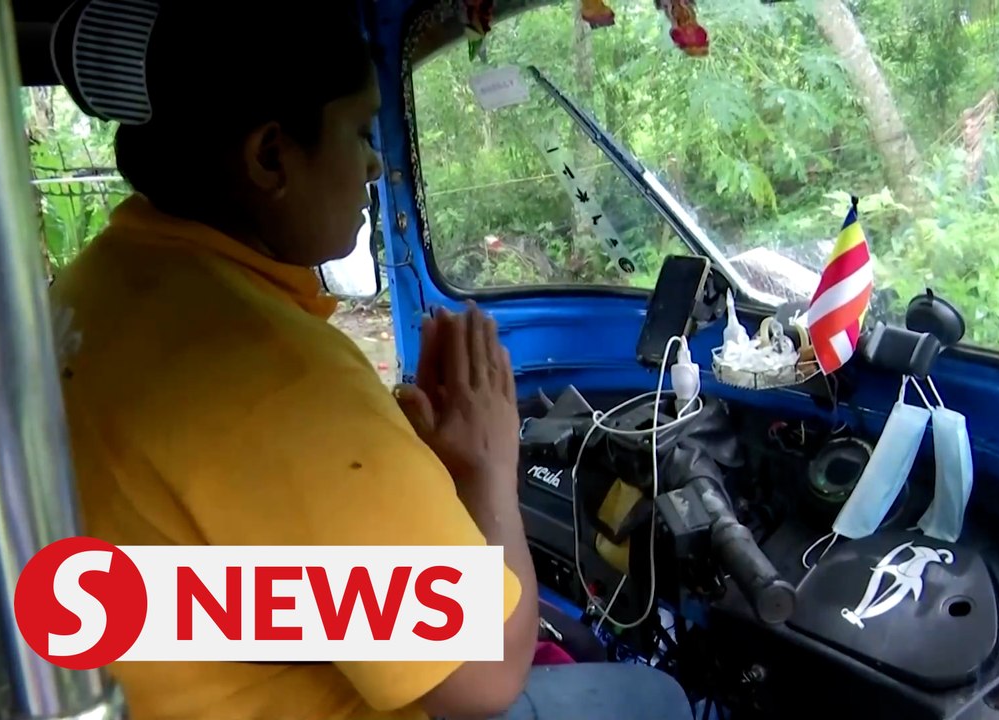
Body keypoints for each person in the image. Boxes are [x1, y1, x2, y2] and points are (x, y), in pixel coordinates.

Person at [47, 2, 692, 719]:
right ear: (269, 155)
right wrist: (486, 467)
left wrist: (395, 471)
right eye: (357, 130)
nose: (376, 160)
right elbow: (484, 681)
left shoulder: (97, 285)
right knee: (654, 696)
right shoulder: (279, 377)